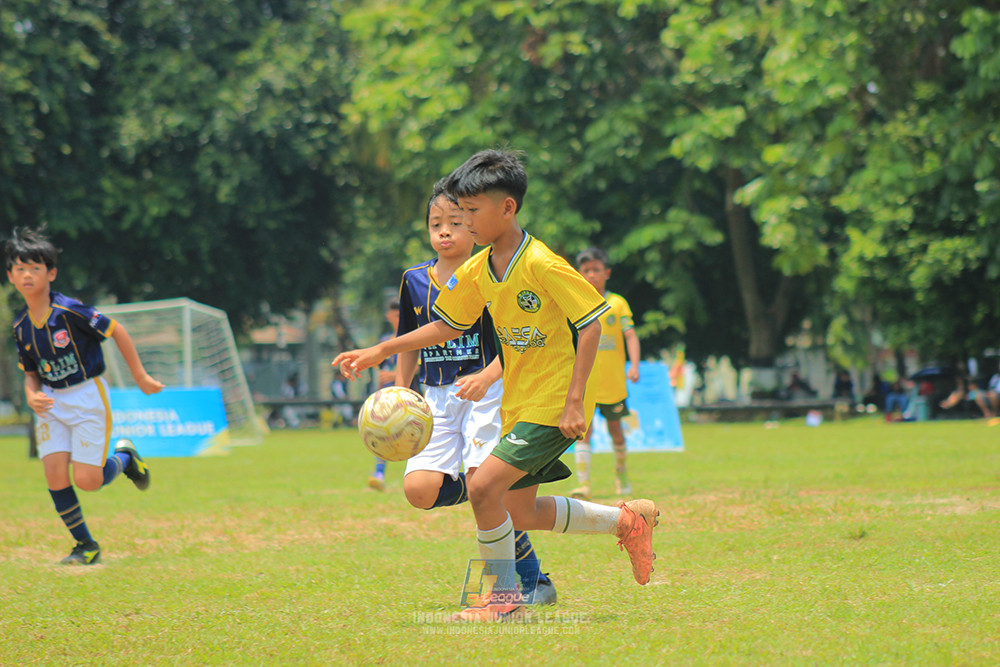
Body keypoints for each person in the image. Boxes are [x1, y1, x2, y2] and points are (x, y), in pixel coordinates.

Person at [333, 149, 659, 622]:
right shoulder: (477, 269)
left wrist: (574, 403)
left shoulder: (542, 262)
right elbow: (445, 327)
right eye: (458, 213)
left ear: (507, 208)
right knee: (517, 511)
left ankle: (504, 602)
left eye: (471, 212)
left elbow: (592, 321)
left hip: (551, 403)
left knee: (483, 488)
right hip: (518, 404)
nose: (463, 222)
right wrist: (382, 350)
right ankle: (628, 520)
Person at [392, 179, 555, 604]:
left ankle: (534, 582)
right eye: (436, 224)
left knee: (488, 486)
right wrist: (399, 393)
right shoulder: (413, 280)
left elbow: (515, 340)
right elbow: (412, 340)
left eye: (456, 222)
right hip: (436, 395)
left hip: (487, 390)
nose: (445, 231)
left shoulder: (489, 273)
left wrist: (488, 375)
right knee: (420, 491)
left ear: (474, 226)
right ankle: (485, 488)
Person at [6, 226, 164, 565]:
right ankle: (86, 546)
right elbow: (30, 375)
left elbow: (116, 329)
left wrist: (140, 376)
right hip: (51, 403)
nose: (27, 274)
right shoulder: (21, 327)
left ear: (51, 273)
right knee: (54, 473)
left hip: (87, 396)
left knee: (89, 481)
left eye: (35, 268)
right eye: (20, 269)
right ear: (11, 277)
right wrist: (32, 396)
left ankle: (125, 458)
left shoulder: (71, 311)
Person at [569, 247, 641, 500]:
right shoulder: (576, 301)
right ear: (578, 273)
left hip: (613, 383)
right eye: (586, 270)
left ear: (607, 272)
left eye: (596, 270)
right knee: (583, 432)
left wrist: (634, 365)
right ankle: (583, 484)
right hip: (585, 383)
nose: (591, 275)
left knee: (616, 430)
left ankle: (622, 479)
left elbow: (630, 334)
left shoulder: (617, 303)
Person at [367, 299, 403, 490]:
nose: (398, 319)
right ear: (389, 317)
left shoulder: (413, 338)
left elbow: (421, 364)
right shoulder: (385, 341)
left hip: (411, 395)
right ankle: (379, 473)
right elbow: (378, 364)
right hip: (388, 396)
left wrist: (396, 374)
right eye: (395, 315)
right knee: (382, 432)